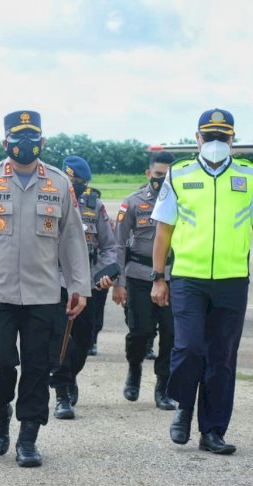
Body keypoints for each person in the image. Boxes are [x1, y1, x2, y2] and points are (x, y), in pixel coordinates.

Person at [0, 110, 91, 467]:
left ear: (42, 143)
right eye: (17, 139)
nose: (25, 146)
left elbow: (73, 238)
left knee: (37, 367)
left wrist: (79, 286)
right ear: (5, 143)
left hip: (44, 293)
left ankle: (28, 436)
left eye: (32, 139)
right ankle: (0, 415)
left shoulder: (59, 184)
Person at [150, 108, 253, 455]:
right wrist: (158, 277)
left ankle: (213, 431)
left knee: (222, 358)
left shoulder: (251, 175)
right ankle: (184, 408)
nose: (216, 142)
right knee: (189, 348)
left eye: (223, 136)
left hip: (232, 280)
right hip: (188, 279)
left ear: (233, 139)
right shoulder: (179, 173)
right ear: (197, 139)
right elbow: (164, 230)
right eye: (210, 136)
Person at [51, 156, 116, 420]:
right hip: (53, 281)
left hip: (87, 283)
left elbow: (110, 246)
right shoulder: (47, 201)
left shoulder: (94, 206)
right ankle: (62, 393)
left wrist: (104, 273)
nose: (77, 187)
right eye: (73, 182)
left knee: (85, 338)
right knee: (58, 338)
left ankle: (70, 375)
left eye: (81, 183)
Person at [112, 151, 176, 411]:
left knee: (171, 334)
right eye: (159, 175)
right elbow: (118, 244)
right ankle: (134, 368)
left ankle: (163, 386)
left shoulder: (183, 202)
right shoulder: (132, 203)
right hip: (139, 276)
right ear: (149, 174)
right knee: (140, 331)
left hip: (172, 277)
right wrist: (119, 281)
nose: (162, 180)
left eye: (168, 175)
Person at [86, 187, 110, 357]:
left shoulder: (102, 216)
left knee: (96, 309)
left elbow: (109, 245)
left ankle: (92, 340)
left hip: (96, 270)